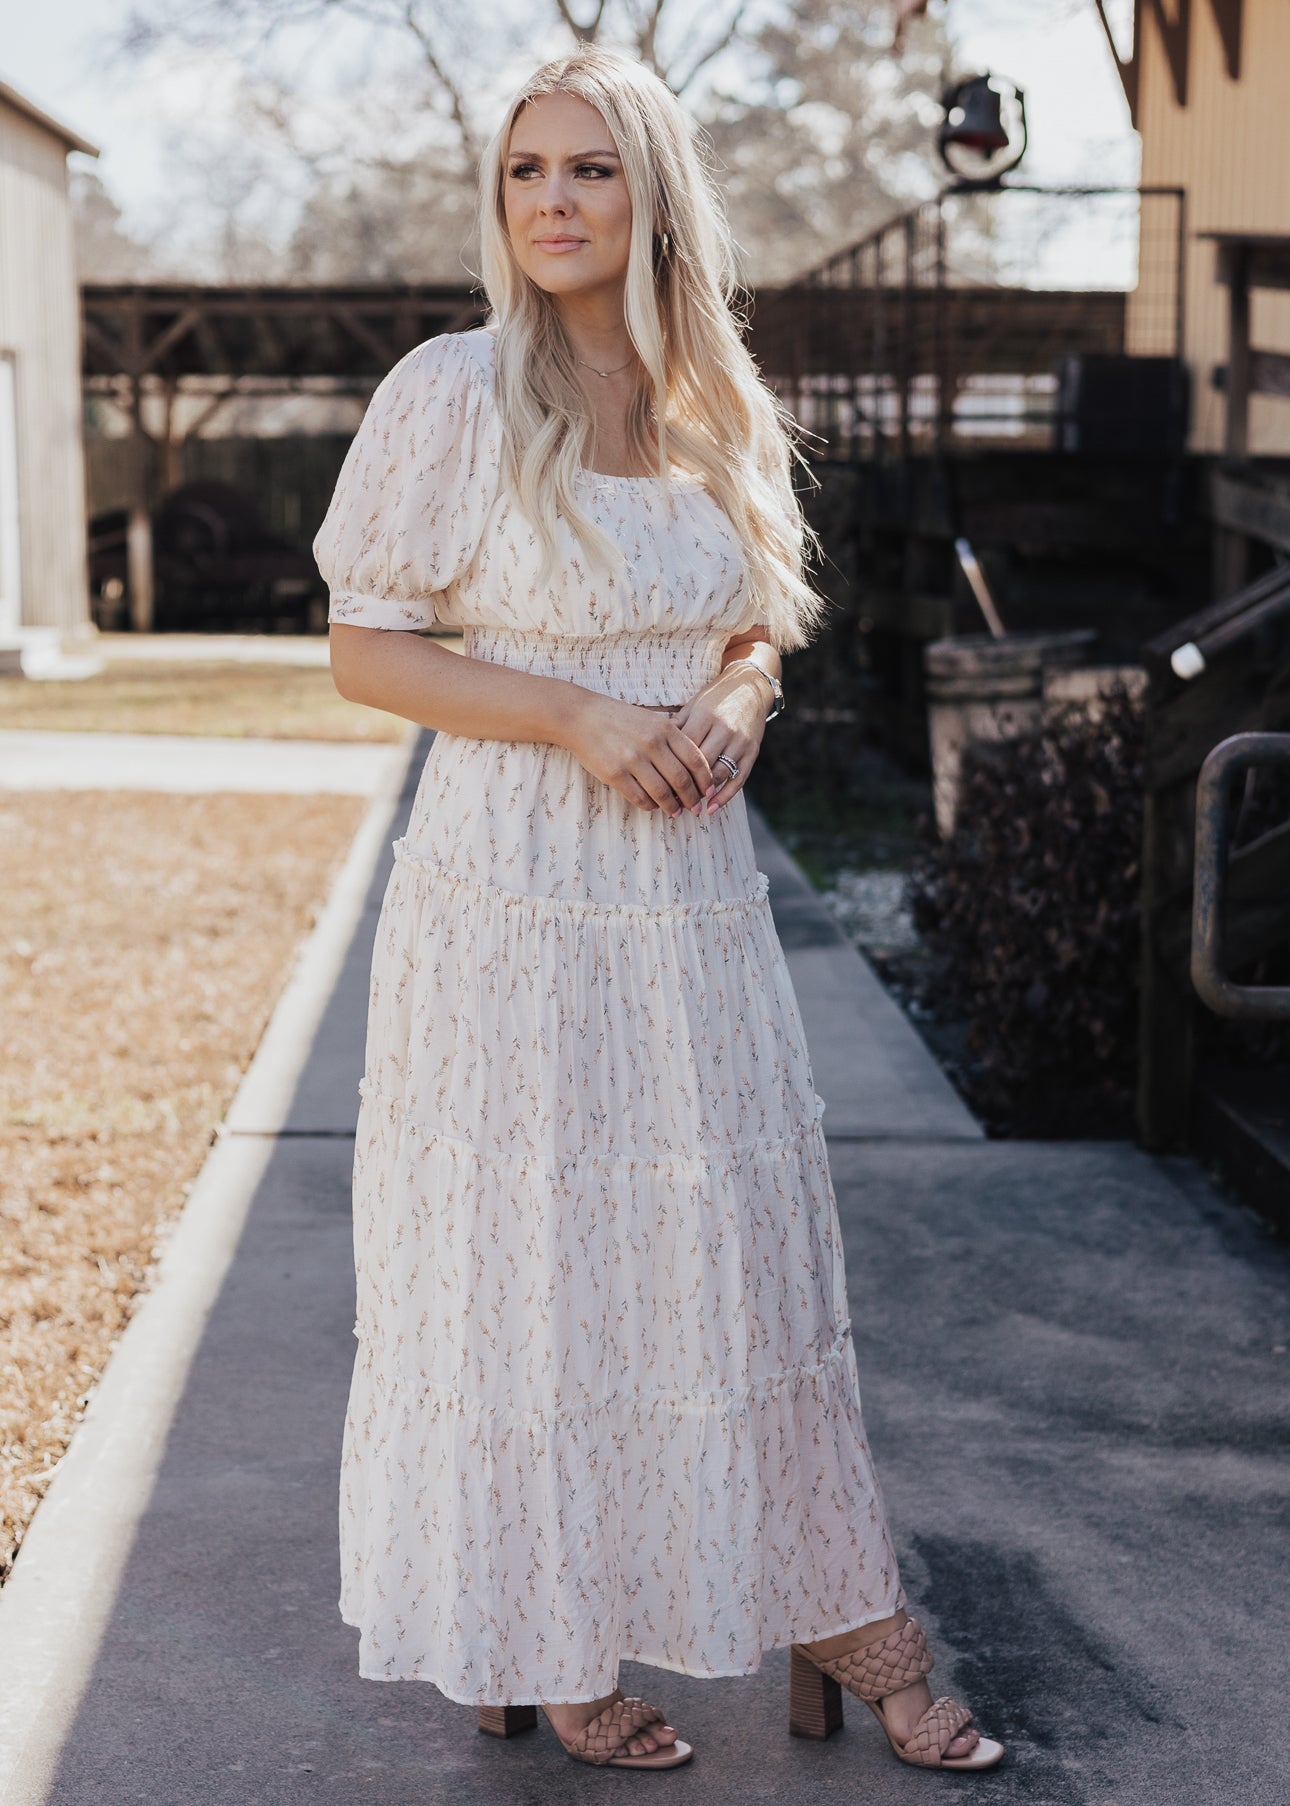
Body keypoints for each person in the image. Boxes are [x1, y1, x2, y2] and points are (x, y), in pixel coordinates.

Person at [313, 45, 1003, 1777]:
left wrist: (741, 703)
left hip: (687, 895)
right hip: (508, 890)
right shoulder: (451, 392)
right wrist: (569, 710)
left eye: (590, 170)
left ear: (653, 196)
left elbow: (756, 624)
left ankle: (838, 1607)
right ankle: (536, 1624)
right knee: (528, 1268)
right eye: (527, 172)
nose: (552, 201)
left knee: (727, 1257)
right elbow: (362, 644)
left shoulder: (718, 405)